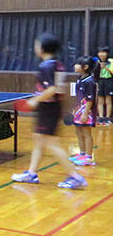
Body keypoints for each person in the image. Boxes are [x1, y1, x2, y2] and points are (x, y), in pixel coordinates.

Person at [11, 33, 88, 189]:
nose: (35, 47)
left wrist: (34, 100)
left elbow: (52, 89)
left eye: (37, 44)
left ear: (42, 48)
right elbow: (59, 88)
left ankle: (75, 177)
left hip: (48, 108)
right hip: (53, 107)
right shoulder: (57, 64)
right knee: (39, 140)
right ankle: (32, 173)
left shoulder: (45, 66)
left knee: (51, 143)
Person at [69, 56, 97, 166]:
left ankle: (89, 158)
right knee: (79, 132)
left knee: (86, 133)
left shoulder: (89, 81)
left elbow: (90, 100)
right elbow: (79, 97)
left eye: (77, 64)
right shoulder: (79, 79)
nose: (74, 66)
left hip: (87, 112)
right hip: (79, 111)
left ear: (85, 67)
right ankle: (82, 154)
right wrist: (75, 109)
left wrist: (85, 113)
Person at [95, 46, 112, 125]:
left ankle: (108, 118)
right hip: (100, 81)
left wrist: (105, 67)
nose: (101, 54)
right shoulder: (96, 62)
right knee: (100, 100)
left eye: (103, 52)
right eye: (100, 52)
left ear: (107, 53)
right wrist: (98, 68)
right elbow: (94, 74)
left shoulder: (111, 61)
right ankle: (101, 118)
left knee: (108, 100)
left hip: (109, 80)